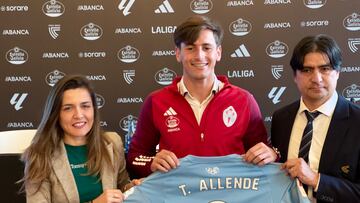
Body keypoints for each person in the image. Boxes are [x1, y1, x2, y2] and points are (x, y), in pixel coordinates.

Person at [127, 15, 277, 178]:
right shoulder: (156, 101)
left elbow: (264, 154)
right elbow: (134, 157)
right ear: (178, 53)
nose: (199, 56)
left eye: (207, 48)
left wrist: (270, 154)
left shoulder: (244, 100)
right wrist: (151, 163)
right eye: (190, 48)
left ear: (218, 53)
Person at [271, 34, 360, 202]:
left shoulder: (357, 122)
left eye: (325, 69)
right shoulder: (281, 119)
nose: (316, 78)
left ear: (338, 72)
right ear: (295, 75)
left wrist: (316, 180)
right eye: (307, 70)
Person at [20, 75, 137, 203]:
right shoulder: (39, 155)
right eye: (68, 108)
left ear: (94, 109)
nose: (79, 115)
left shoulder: (112, 142)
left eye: (85, 106)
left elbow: (121, 184)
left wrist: (131, 187)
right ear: (56, 114)